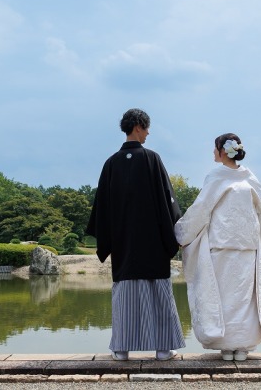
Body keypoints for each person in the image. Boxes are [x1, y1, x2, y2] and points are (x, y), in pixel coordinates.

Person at [85, 108, 186, 361]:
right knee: (158, 293)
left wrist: (109, 239)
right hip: (152, 243)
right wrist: (174, 232)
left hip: (123, 245)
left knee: (124, 296)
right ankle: (163, 349)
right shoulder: (152, 159)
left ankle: (121, 349)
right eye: (147, 128)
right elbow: (168, 201)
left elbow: (102, 209)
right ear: (138, 126)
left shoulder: (111, 163)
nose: (148, 133)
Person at [174, 133, 261, 361]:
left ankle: (227, 347)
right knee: (244, 298)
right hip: (247, 246)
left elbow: (201, 209)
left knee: (223, 296)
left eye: (214, 148)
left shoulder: (217, 177)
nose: (212, 153)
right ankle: (242, 347)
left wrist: (181, 233)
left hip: (221, 245)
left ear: (221, 151)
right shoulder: (251, 179)